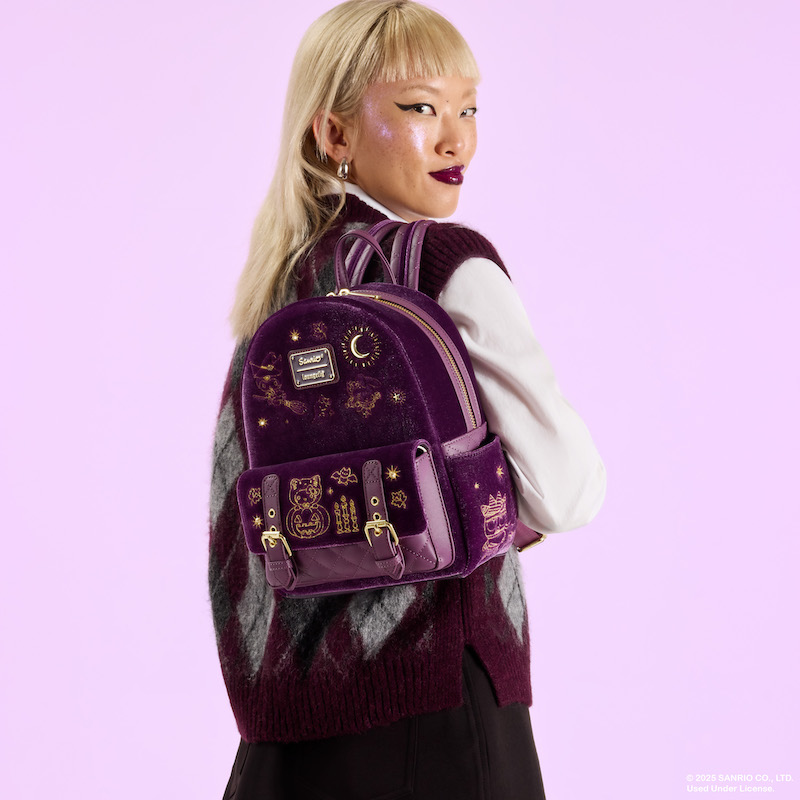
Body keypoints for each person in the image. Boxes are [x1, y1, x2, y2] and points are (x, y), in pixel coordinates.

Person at [208, 1, 606, 797]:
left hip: (287, 727)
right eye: (421, 108)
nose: (456, 139)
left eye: (468, 109)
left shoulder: (279, 291)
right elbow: (566, 492)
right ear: (335, 134)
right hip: (439, 709)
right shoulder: (443, 264)